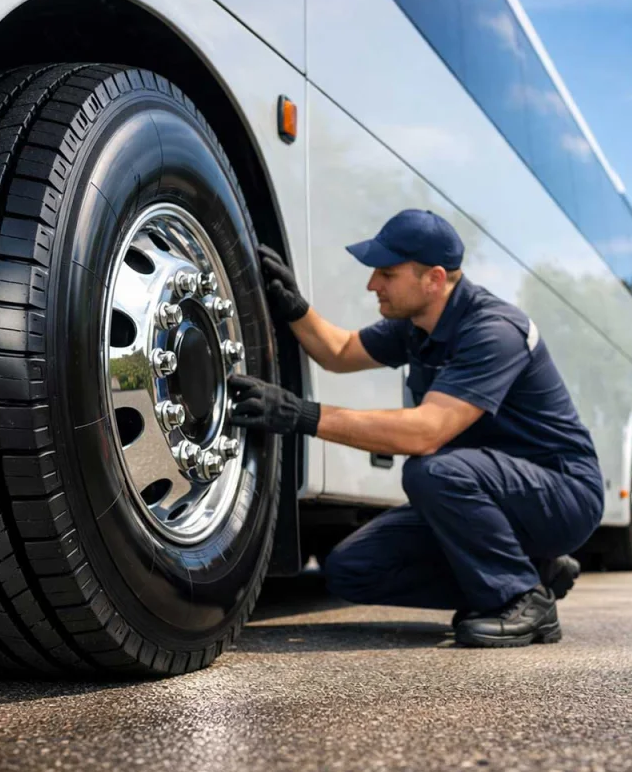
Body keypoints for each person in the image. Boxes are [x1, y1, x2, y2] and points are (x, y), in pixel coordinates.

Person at [227, 209, 605, 647]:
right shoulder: (416, 327)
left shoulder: (493, 330)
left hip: (562, 493)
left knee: (430, 469)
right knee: (351, 569)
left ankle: (519, 597)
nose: (373, 285)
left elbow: (425, 433)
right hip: (489, 490)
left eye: (387, 273)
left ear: (435, 279)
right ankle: (528, 572)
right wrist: (296, 308)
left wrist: (300, 415)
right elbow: (340, 351)